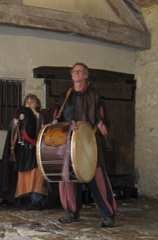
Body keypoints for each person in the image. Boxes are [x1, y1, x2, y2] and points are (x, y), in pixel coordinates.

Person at [57, 63, 117, 227]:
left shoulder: (95, 95)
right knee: (70, 177)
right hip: (70, 142)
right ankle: (72, 212)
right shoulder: (66, 96)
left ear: (85, 75)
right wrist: (69, 124)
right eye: (74, 71)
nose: (76, 74)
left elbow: (102, 118)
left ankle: (107, 214)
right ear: (71, 76)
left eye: (80, 71)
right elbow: (59, 117)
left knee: (96, 178)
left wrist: (103, 127)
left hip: (90, 143)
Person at [13, 94, 47, 209]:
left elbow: (44, 128)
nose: (29, 104)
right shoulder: (21, 115)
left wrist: (35, 113)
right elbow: (15, 130)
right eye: (27, 102)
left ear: (37, 103)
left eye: (32, 102)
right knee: (24, 174)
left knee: (37, 174)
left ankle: (36, 200)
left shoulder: (41, 115)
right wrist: (16, 124)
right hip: (24, 151)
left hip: (37, 149)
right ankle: (24, 199)